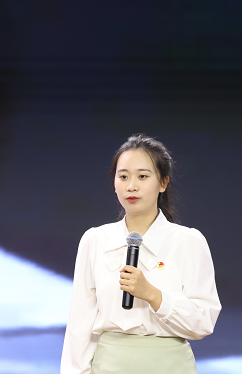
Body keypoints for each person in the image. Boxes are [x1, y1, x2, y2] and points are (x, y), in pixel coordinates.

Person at [60, 134, 221, 374]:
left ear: (163, 183)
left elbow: (203, 322)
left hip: (170, 365)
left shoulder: (188, 241)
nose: (131, 186)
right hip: (108, 365)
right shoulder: (95, 240)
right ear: (114, 183)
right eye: (123, 176)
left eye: (142, 176)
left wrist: (152, 295)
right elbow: (79, 325)